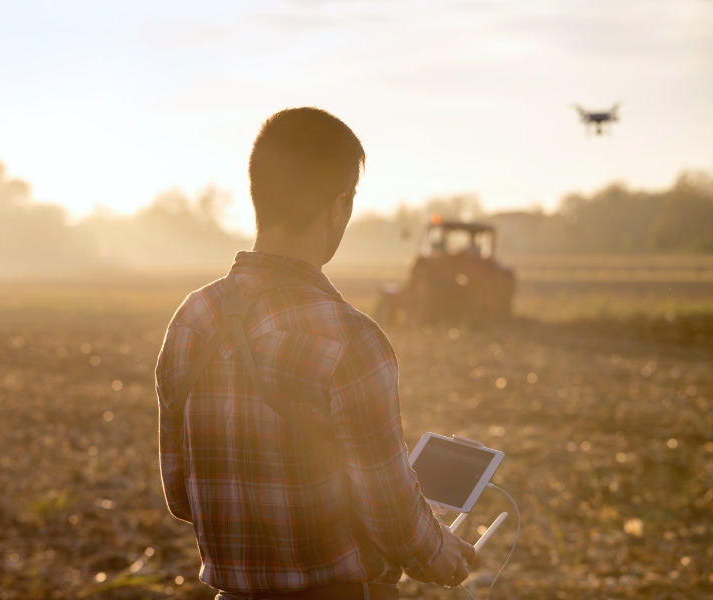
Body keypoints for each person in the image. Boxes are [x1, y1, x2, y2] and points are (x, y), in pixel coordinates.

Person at [156, 107, 475, 600]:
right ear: (339, 206)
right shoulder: (352, 339)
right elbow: (391, 515)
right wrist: (438, 551)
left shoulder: (192, 320)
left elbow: (181, 496)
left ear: (258, 195)